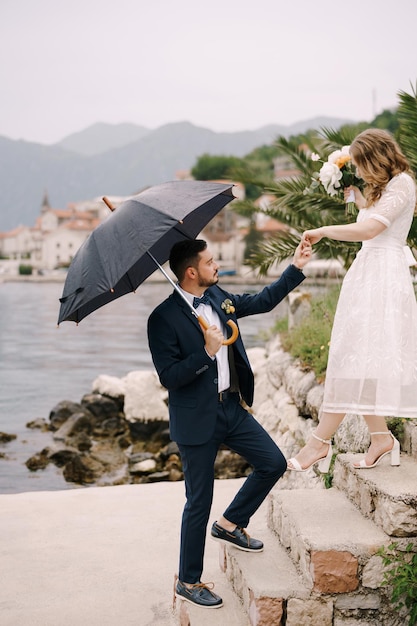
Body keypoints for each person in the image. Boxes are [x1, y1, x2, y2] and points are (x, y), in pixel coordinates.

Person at [147, 237, 312, 609]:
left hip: (231, 409)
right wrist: (206, 351)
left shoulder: (216, 295)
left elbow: (260, 301)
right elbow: (169, 376)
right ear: (192, 272)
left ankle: (231, 523)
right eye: (210, 261)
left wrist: (296, 267)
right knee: (198, 502)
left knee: (273, 462)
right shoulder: (161, 319)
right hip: (195, 419)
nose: (216, 264)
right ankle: (188, 580)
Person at [287, 128, 417, 474]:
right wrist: (358, 198)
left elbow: (371, 231)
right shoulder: (385, 188)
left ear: (376, 158)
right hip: (368, 274)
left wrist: (325, 230)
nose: (358, 171)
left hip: (384, 278)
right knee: (358, 354)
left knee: (354, 354)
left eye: (360, 165)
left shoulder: (403, 183)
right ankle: (380, 437)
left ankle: (319, 442)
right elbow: (371, 220)